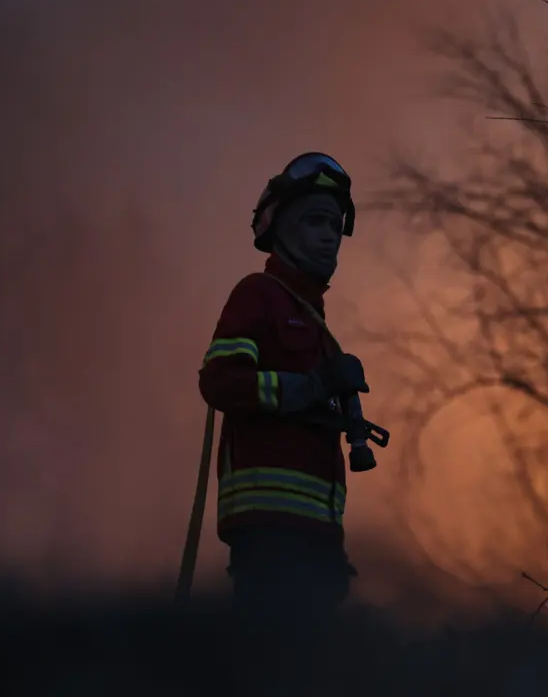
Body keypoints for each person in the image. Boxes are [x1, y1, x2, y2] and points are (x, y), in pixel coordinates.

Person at [197, 152, 369, 695]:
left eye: (335, 227)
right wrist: (312, 388)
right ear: (279, 227)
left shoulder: (318, 324)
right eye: (314, 222)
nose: (328, 238)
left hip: (316, 540)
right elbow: (220, 382)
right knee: (275, 671)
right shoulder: (259, 295)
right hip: (270, 539)